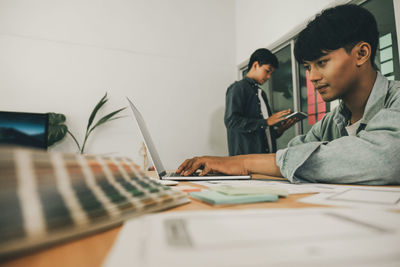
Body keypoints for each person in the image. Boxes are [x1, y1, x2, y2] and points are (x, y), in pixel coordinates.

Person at [177, 4, 400, 185]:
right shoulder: (332, 121)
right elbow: (292, 152)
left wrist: (244, 161)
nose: (312, 77)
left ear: (361, 53)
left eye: (321, 63)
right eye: (308, 67)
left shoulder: (396, 100)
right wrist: (239, 160)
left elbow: (385, 158)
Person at [224, 48, 298, 156]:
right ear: (255, 65)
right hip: (246, 163)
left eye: (271, 73)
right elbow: (232, 122)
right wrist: (266, 122)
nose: (268, 77)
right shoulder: (238, 88)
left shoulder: (261, 93)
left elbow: (263, 133)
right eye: (267, 71)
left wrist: (280, 130)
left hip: (265, 160)